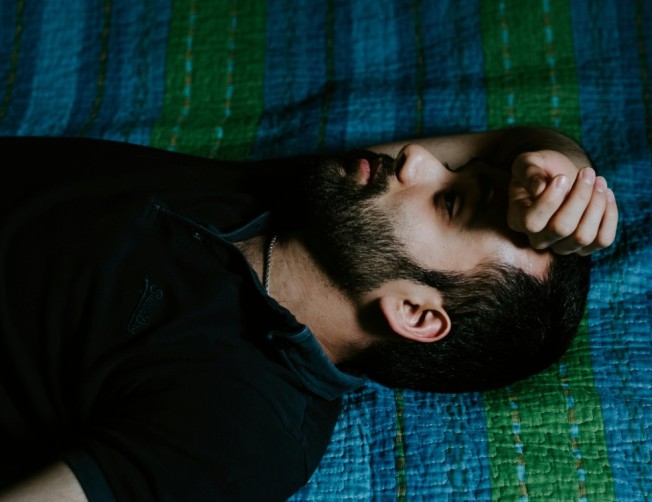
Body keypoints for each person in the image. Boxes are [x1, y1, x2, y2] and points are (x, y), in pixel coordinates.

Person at [0, 126, 618, 501]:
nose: (418, 158)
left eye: (450, 201)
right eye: (456, 168)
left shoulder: (240, 429)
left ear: (413, 312)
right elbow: (521, 143)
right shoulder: (316, 203)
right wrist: (571, 177)